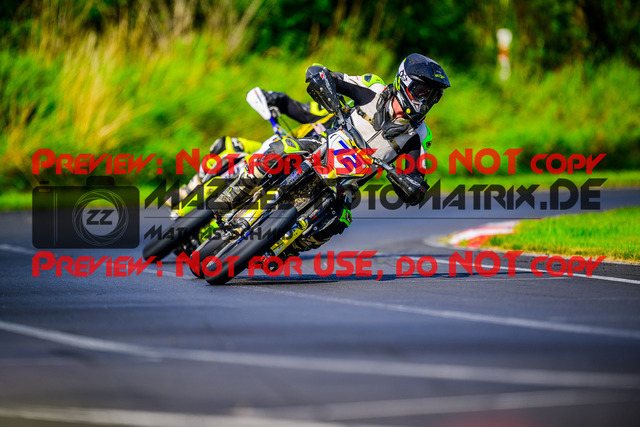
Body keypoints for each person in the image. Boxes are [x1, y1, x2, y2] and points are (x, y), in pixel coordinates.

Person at [209, 53, 450, 251]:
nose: (425, 99)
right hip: (322, 146)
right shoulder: (373, 87)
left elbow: (415, 179)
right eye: (422, 90)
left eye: (433, 95)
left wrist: (410, 184)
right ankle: (230, 196)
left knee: (338, 221)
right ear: (404, 82)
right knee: (279, 149)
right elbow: (325, 74)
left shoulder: (419, 135)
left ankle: (283, 250)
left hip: (346, 185)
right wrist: (324, 84)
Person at [167, 91, 334, 208]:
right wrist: (271, 97)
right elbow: (295, 107)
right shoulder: (334, 110)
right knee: (227, 145)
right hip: (279, 148)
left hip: (309, 175)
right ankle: (189, 189)